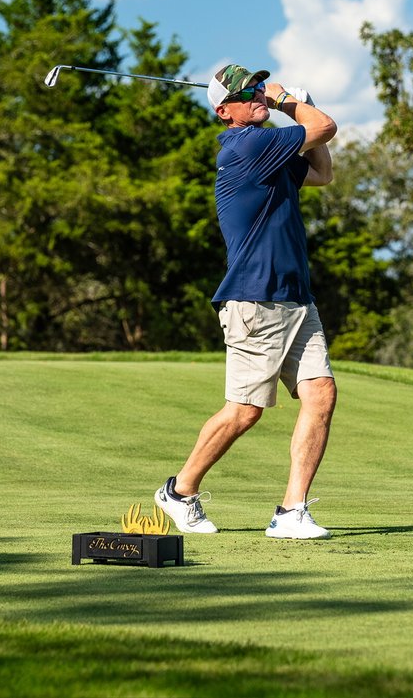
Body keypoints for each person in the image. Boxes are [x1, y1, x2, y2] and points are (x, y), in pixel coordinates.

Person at [154, 63, 339, 540]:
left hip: (296, 297)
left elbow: (321, 172)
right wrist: (288, 103)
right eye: (246, 93)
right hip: (256, 299)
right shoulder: (247, 146)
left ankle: (291, 512)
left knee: (320, 394)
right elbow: (324, 129)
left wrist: (301, 100)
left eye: (258, 87)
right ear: (224, 111)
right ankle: (179, 491)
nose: (256, 94)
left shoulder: (270, 152)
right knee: (245, 410)